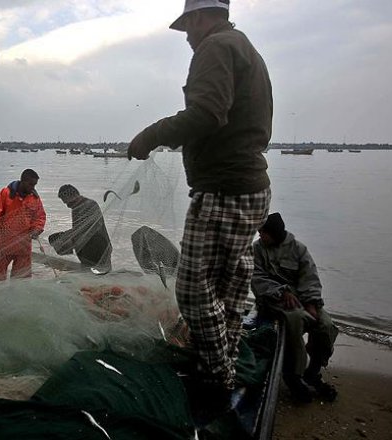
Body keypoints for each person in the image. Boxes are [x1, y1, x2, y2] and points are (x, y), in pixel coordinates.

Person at [127, 0, 273, 411]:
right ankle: (223, 360)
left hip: (224, 189)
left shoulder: (216, 46)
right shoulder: (245, 48)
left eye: (187, 27)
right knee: (228, 283)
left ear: (198, 18)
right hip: (250, 186)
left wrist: (152, 134)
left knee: (192, 291)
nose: (187, 38)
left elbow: (207, 112)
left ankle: (214, 377)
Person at [252, 213, 338, 403]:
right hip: (274, 300)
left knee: (325, 324)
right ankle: (293, 376)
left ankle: (313, 371)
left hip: (301, 299)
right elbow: (257, 279)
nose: (259, 236)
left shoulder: (298, 249)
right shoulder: (257, 250)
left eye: (262, 233)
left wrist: (312, 303)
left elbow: (310, 277)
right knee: (295, 320)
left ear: (274, 233)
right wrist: (281, 292)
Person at [0, 169, 46, 283]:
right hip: (4, 243)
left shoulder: (34, 198)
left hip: (23, 244)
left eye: (35, 185)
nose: (33, 187)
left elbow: (39, 216)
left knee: (22, 279)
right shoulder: (6, 193)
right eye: (30, 184)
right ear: (23, 181)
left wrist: (37, 229)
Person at [50, 184, 112, 273]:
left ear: (74, 195)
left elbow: (92, 228)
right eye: (66, 203)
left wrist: (69, 239)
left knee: (101, 276)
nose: (68, 206)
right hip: (85, 248)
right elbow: (78, 228)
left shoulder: (90, 205)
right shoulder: (76, 208)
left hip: (98, 247)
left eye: (68, 202)